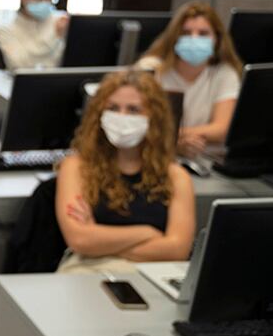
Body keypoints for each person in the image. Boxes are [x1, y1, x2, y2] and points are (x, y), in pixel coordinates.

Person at [55, 70, 196, 274]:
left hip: (153, 275)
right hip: (88, 270)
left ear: (154, 118)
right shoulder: (76, 167)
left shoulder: (176, 176)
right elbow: (80, 240)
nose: (122, 116)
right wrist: (147, 233)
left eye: (133, 110)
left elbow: (177, 250)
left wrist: (99, 240)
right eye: (113, 108)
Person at [137, 1, 244, 158]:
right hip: (155, 155)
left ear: (217, 38)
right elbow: (139, 125)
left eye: (203, 33)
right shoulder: (151, 69)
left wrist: (175, 136)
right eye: (186, 33)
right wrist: (173, 143)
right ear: (174, 37)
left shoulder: (225, 73)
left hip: (203, 157)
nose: (194, 39)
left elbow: (222, 129)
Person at [0, 0, 69, 69]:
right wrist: (55, 37)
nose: (45, 2)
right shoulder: (6, 28)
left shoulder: (62, 21)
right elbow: (21, 64)